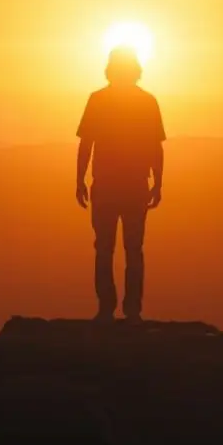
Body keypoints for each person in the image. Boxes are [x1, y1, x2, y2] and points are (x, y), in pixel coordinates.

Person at [76, 45, 166, 323]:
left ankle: (108, 309)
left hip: (108, 184)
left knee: (105, 248)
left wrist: (79, 180)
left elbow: (85, 144)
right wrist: (158, 182)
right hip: (132, 185)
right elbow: (156, 147)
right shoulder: (146, 101)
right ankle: (131, 311)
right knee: (132, 249)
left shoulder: (98, 100)